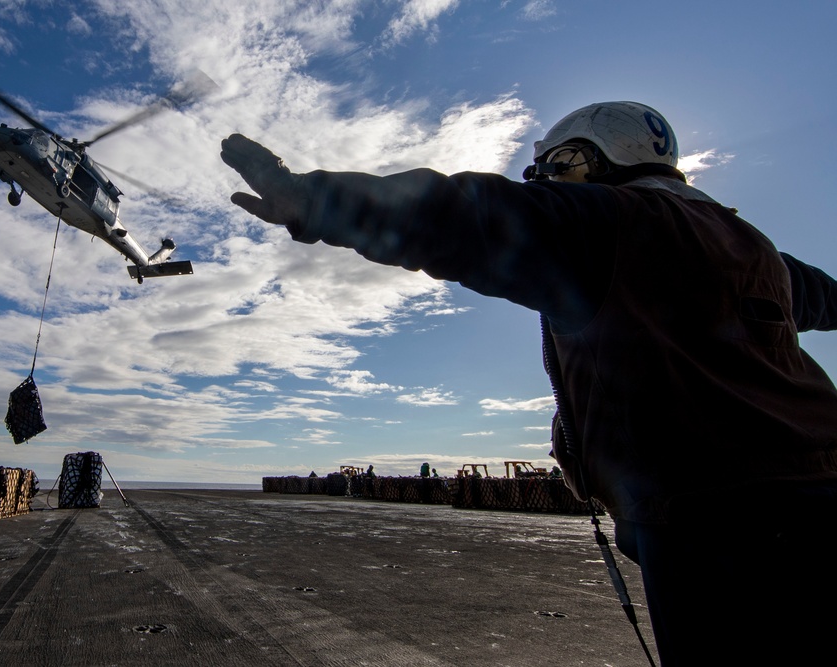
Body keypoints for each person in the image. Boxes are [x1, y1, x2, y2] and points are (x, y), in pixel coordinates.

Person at [220, 101, 837, 665]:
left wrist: (307, 196)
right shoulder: (752, 247)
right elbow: (826, 299)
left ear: (592, 158)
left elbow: (457, 216)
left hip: (717, 521)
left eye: (552, 166)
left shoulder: (607, 221)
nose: (542, 181)